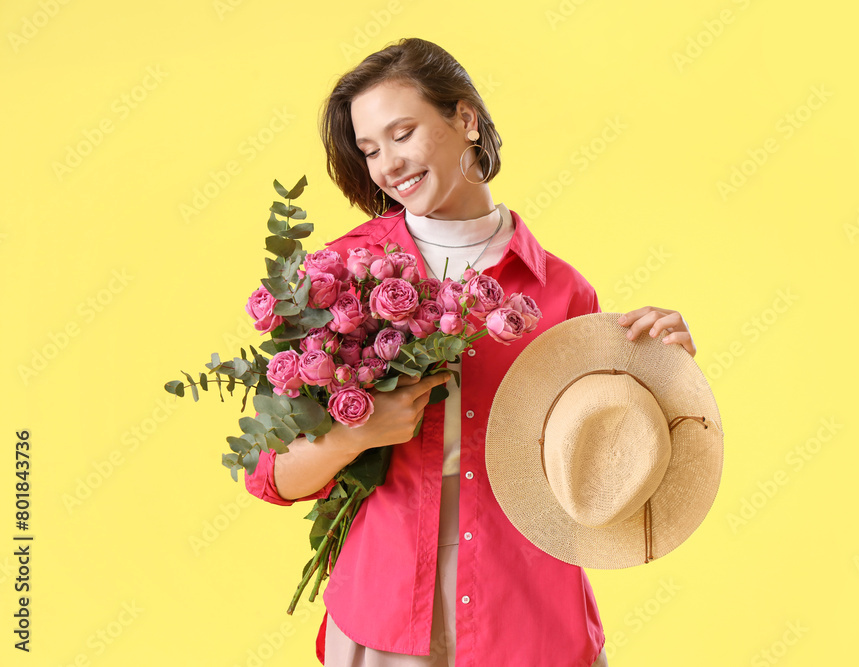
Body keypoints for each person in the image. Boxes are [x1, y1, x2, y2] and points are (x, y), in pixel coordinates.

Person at [244, 37, 698, 667]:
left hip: (531, 619)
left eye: (402, 133)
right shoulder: (340, 275)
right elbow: (266, 474)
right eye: (370, 150)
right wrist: (355, 435)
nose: (387, 165)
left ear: (465, 119)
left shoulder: (562, 292)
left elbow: (612, 469)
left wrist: (665, 371)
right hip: (387, 619)